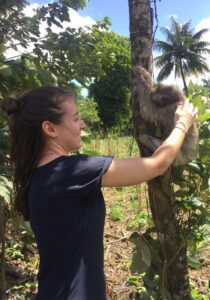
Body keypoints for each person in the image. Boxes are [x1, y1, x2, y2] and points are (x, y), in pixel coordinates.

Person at [1, 86, 197, 300]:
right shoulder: (74, 172)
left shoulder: (39, 176)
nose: (82, 125)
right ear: (50, 128)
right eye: (76, 119)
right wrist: (182, 123)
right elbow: (157, 165)